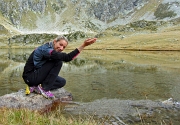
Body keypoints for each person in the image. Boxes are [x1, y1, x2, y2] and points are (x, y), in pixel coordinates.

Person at [22, 36, 97, 99]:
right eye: (60, 44)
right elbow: (67, 57)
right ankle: (44, 89)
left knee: (61, 82)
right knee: (58, 61)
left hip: (37, 75)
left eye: (64, 47)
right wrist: (83, 45)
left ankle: (37, 87)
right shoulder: (46, 49)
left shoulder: (51, 48)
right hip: (30, 78)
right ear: (55, 41)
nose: (61, 48)